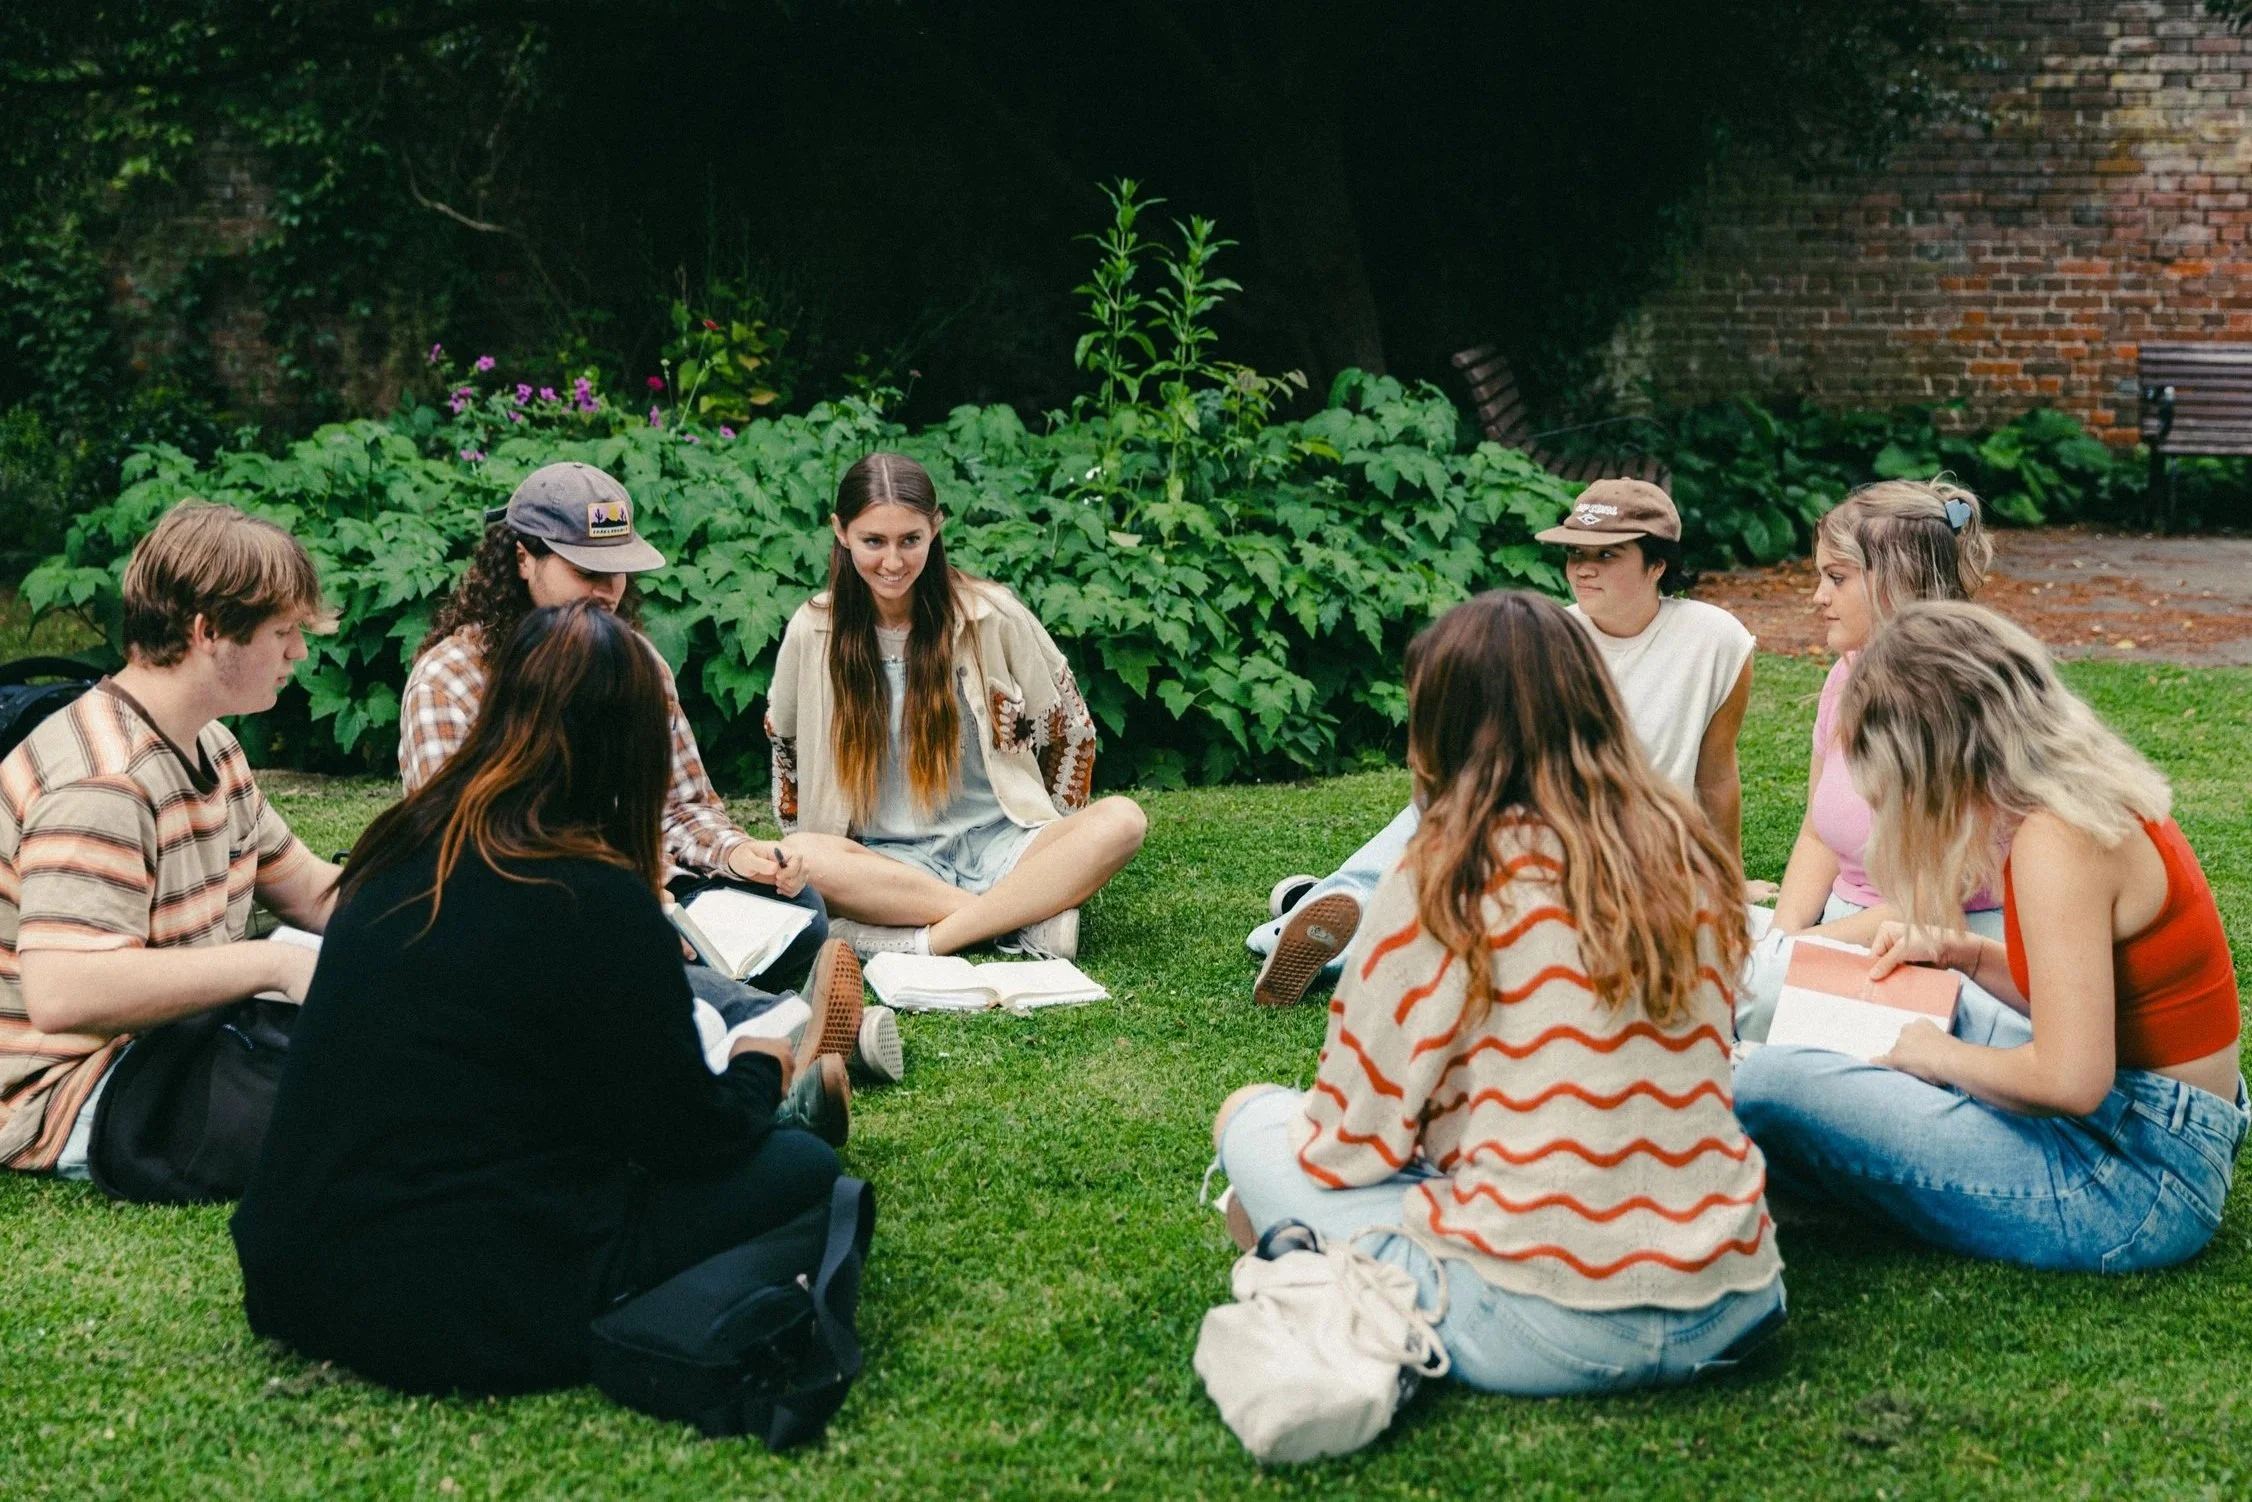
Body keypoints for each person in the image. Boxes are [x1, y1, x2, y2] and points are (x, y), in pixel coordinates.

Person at [233, 602, 849, 1395]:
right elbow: (685, 1140)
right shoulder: (597, 898)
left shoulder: (397, 847)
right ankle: (788, 1108)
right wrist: (757, 1066)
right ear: (634, 747)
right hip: (465, 1300)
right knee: (802, 1168)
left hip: (294, 1274)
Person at [1210, 591, 1783, 1396]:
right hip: (1734, 1298)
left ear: (1439, 726)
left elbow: (1349, 1142)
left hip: (1550, 1323)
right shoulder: (1685, 852)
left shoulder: (1446, 872)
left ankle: (1319, 1265)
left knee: (1249, 1120)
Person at [1734, 603, 2244, 1272]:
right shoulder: (2067, 797)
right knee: (1889, 1018)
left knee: (1767, 1082)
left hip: (2131, 1177)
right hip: (2150, 1117)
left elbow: (2071, 1081)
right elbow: (2086, 1000)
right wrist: (1969, 956)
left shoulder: (2057, 843)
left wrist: (1938, 1057)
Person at [402, 461, 896, 1082]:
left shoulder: (635, 661)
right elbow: (463, 852)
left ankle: (685, 996)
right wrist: (621, 904)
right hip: (530, 906)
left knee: (801, 907)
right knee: (608, 949)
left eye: (618, 572)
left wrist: (739, 854)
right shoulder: (450, 680)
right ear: (523, 558)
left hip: (645, 890)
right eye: (586, 572)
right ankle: (783, 1028)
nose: (607, 591)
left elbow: (682, 805)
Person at [1247, 478, 1755, 1006]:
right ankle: (1313, 918)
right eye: (1576, 553)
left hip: (1621, 850)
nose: (1583, 569)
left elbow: (1715, 774)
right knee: (1434, 819)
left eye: (1607, 554)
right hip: (1525, 819)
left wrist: (1729, 882)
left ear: (1658, 565)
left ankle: (1317, 926)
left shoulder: (1717, 641)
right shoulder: (1548, 638)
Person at [1, 501, 340, 1177]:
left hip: (176, 1040)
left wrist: (447, 923)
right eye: (282, 632)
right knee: (364, 1105)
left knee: (394, 1032)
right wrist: (273, 965)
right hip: (73, 1084)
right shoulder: (104, 779)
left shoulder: (209, 742)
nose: (299, 653)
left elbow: (312, 894)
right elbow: (65, 992)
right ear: (207, 631)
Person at [766, 451, 1147, 960]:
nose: (893, 562)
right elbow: (786, 747)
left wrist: (1055, 840)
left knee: (1124, 820)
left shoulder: (991, 614)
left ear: (936, 527)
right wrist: (817, 858)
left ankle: (932, 938)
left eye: (910, 540)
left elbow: (1067, 729)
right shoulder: (814, 629)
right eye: (874, 541)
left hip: (1004, 843)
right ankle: (1017, 917)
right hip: (886, 863)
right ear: (841, 532)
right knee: (801, 852)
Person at [1735, 477, 1996, 1040]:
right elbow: (1816, 835)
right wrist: (1781, 940)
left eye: (1836, 578)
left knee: (1722, 997)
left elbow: (1930, 903)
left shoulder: (1957, 701)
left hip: (1940, 949)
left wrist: (1789, 958)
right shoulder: (1848, 674)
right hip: (1846, 930)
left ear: (1896, 581)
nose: (1817, 596)